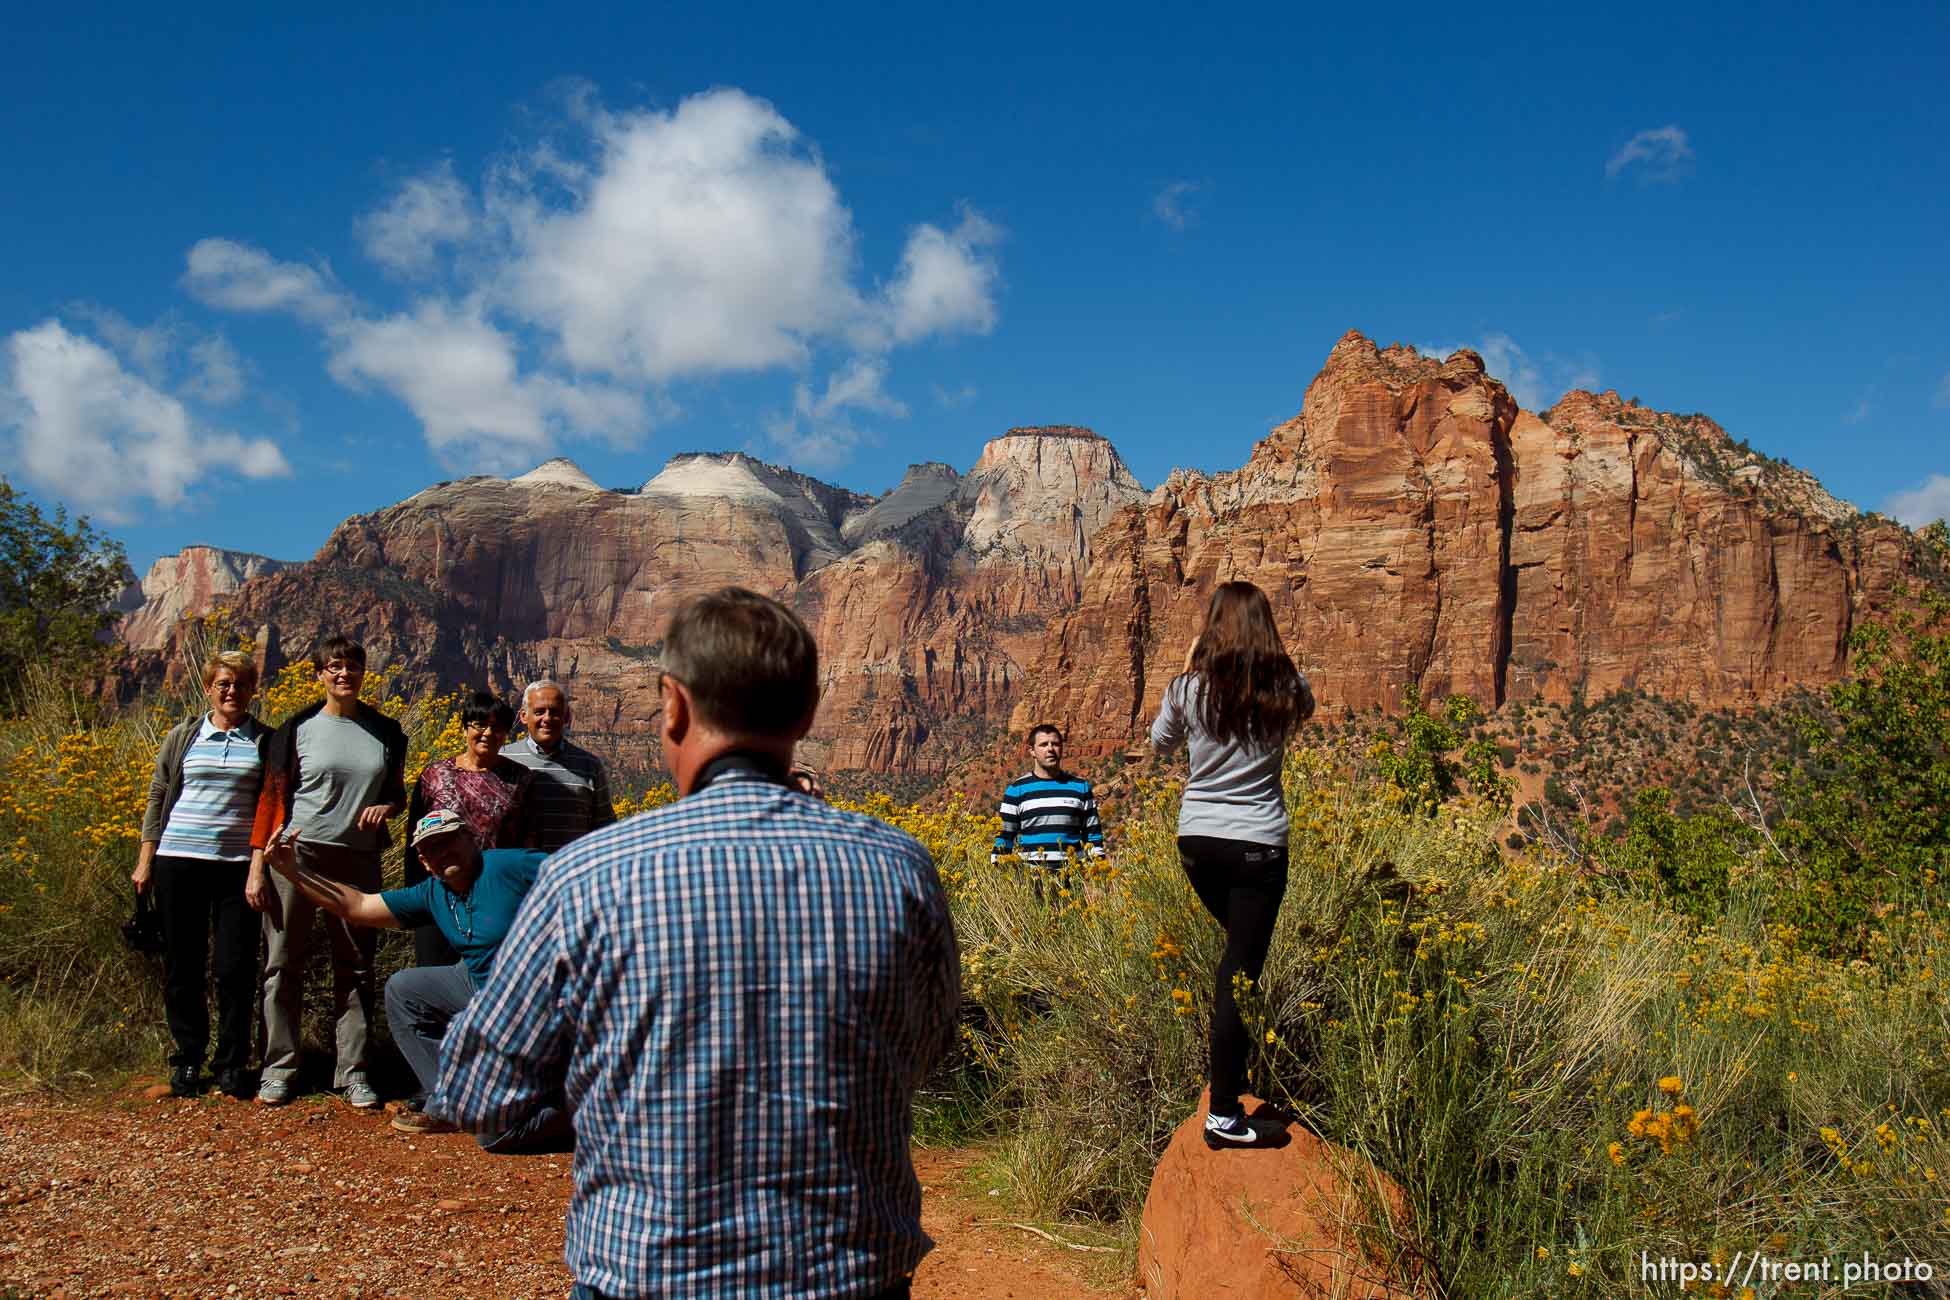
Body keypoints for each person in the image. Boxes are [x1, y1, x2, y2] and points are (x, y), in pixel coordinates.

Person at [434, 587, 960, 1300]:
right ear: (805, 714)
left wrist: (615, 1076)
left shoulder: (585, 876)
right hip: (847, 1276)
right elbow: (925, 1046)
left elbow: (479, 1092)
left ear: (673, 705)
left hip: (646, 1273)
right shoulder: (899, 867)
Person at [262, 808, 569, 1152]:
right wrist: (293, 870)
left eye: (449, 841)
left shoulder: (510, 867)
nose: (442, 853)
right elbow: (359, 906)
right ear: (423, 862)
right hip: (486, 993)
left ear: (470, 839)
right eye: (431, 849)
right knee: (405, 990)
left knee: (494, 1134)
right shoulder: (432, 892)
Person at [1149, 581, 1315, 1149]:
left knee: (1237, 960)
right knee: (1239, 972)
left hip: (1198, 843)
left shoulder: (1187, 689)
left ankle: (1231, 1077)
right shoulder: (1286, 686)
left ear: (1212, 626)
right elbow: (1307, 707)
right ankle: (1223, 1111)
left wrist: (1194, 661)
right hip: (1258, 847)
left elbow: (1159, 743)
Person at [246, 635, 407, 1109]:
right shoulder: (294, 730)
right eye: (334, 667)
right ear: (319, 674)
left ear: (362, 673)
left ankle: (354, 1072)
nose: (343, 674)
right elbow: (271, 799)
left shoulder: (387, 732)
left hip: (357, 860)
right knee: (281, 963)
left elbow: (395, 793)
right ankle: (279, 1068)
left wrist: (387, 807)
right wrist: (258, 867)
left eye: (351, 666)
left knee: (356, 966)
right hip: (296, 857)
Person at [133, 650, 271, 1100]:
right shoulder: (184, 736)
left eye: (241, 684)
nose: (232, 692)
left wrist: (259, 867)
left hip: (236, 869)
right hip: (178, 860)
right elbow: (159, 794)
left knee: (234, 968)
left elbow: (272, 808)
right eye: (224, 684)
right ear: (209, 688)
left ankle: (232, 1063)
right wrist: (145, 857)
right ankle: (188, 1059)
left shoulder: (266, 742)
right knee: (183, 966)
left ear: (253, 690)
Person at [402, 691, 533, 968]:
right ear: (464, 728)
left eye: (497, 727)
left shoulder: (521, 780)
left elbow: (528, 842)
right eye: (479, 724)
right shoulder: (433, 775)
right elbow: (414, 842)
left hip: (496, 899)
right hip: (440, 897)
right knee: (435, 982)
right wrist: (416, 899)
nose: (488, 733)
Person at [502, 679, 615, 851]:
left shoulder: (589, 765)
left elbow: (605, 828)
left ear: (567, 717)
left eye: (554, 712)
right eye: (539, 712)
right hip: (517, 874)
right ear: (524, 716)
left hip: (572, 873)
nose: (547, 718)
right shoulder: (503, 758)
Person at [991, 724, 1105, 868]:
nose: (1050, 749)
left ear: (1062, 748)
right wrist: (999, 872)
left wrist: (1099, 871)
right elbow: (1004, 837)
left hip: (1073, 878)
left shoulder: (1080, 788)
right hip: (1030, 880)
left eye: (1055, 744)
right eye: (1044, 744)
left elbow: (1093, 836)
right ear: (1032, 751)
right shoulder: (1016, 790)